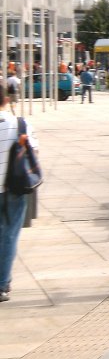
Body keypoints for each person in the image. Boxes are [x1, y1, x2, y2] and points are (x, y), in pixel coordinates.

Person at [0, 86, 39, 302]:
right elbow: (35, 151)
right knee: (9, 235)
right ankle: (2, 285)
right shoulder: (20, 124)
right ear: (6, 100)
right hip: (15, 187)